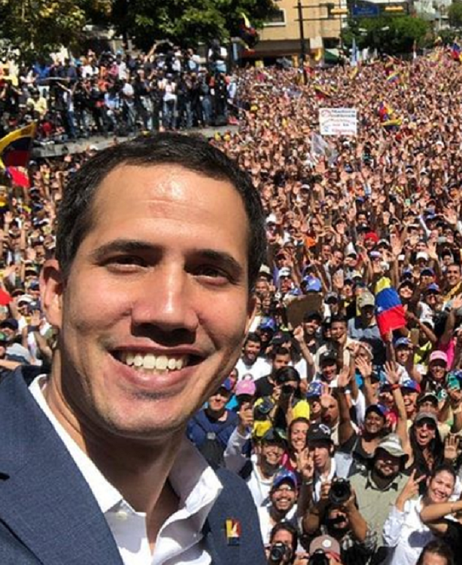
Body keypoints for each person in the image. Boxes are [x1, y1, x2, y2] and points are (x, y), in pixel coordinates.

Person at [0, 134, 266, 562]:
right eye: (129, 260)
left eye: (211, 271)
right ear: (56, 292)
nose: (168, 311)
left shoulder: (232, 509)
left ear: (249, 313)